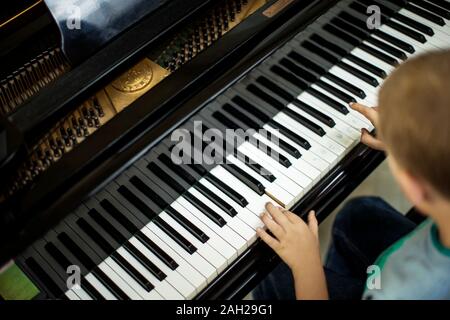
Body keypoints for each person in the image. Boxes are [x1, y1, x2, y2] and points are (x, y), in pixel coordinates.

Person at [252, 50, 450, 300]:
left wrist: (307, 266)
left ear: (414, 187)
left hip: (381, 288)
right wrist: (408, 143)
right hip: (389, 269)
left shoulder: (402, 293)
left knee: (272, 266)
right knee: (358, 214)